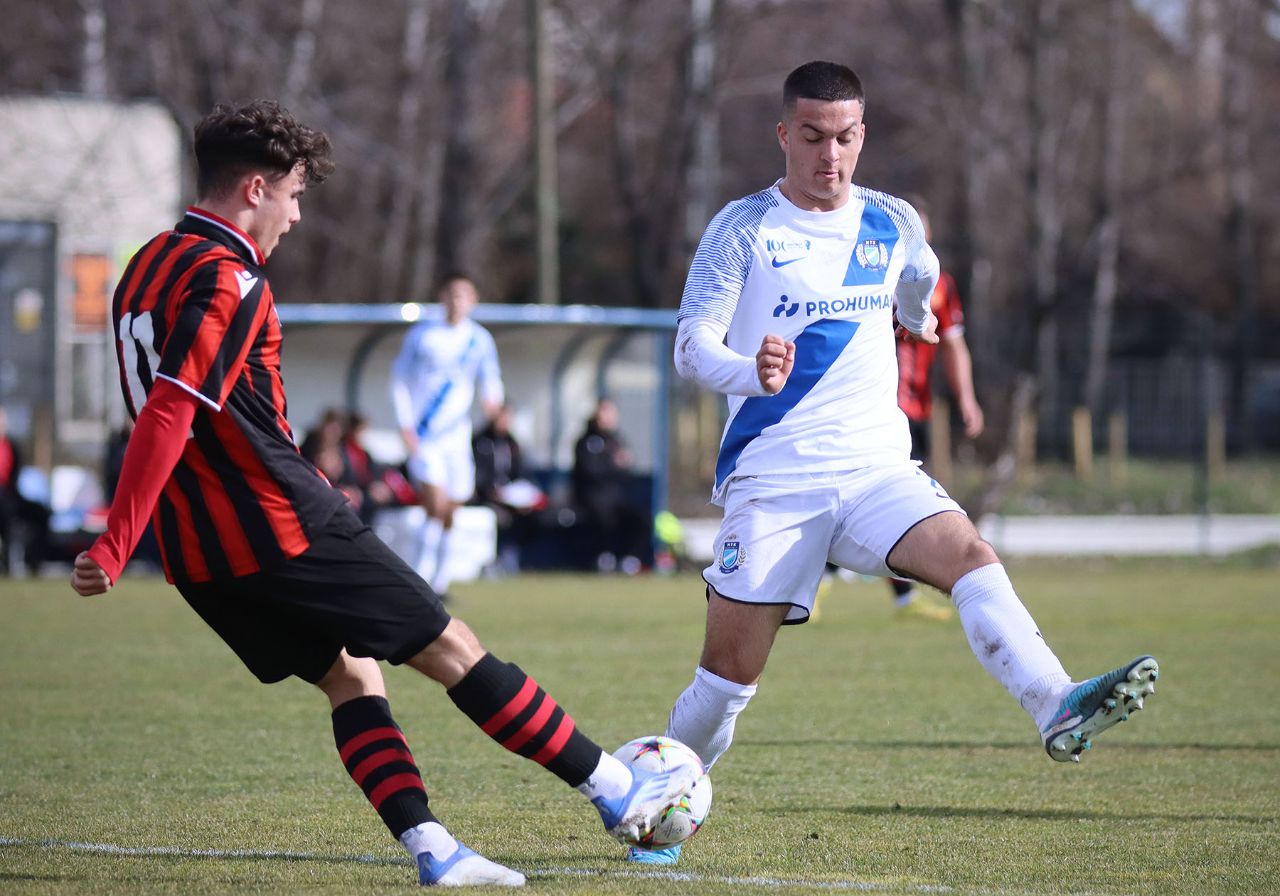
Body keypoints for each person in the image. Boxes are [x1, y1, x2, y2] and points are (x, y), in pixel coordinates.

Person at [68, 100, 696, 889]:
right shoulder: (230, 278)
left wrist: (137, 534)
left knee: (352, 675)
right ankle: (617, 790)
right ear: (256, 189)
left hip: (200, 555)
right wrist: (114, 541)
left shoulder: (144, 265)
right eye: (294, 195)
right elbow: (171, 411)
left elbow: (158, 408)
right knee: (452, 647)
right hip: (282, 523)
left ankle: (436, 851)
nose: (297, 216)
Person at [627, 61, 1160, 866]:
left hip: (877, 469)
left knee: (970, 555)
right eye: (813, 137)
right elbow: (690, 345)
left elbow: (924, 272)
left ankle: (1057, 702)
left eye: (845, 138)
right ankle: (656, 807)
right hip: (775, 482)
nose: (830, 155)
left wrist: (917, 317)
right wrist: (749, 371)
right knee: (728, 681)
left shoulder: (892, 220)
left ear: (862, 134)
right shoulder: (743, 228)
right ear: (784, 134)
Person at [881, 195, 985, 621]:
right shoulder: (870, 274)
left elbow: (954, 344)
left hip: (916, 408)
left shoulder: (940, 283)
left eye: (920, 228)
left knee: (896, 501)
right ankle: (825, 582)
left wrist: (967, 398)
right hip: (876, 406)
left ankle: (902, 595)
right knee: (886, 497)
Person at [391, 274, 503, 599]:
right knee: (435, 504)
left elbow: (491, 377)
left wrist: (492, 400)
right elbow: (399, 380)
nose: (457, 301)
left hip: (457, 436)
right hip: (426, 435)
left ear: (474, 301)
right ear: (442, 297)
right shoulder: (422, 336)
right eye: (452, 294)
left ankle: (438, 582)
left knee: (451, 509)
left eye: (464, 295)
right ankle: (420, 579)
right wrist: (405, 423)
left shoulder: (479, 339)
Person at [571, 397, 649, 575]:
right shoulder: (586, 441)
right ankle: (604, 557)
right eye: (605, 413)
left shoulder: (617, 440)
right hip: (592, 496)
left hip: (616, 497)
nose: (608, 418)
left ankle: (630, 560)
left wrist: (620, 465)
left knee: (641, 517)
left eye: (612, 413)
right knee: (603, 514)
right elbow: (590, 471)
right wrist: (613, 465)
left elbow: (626, 468)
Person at [472, 403, 544, 574]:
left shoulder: (512, 443)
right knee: (502, 517)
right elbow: (478, 475)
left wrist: (525, 495)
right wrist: (492, 492)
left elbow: (521, 472)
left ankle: (515, 557)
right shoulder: (480, 442)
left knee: (533, 516)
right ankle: (496, 560)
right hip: (487, 497)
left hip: (511, 497)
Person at [0, 406, 50, 575]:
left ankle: (35, 561)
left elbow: (15, 479)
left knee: (40, 512)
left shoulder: (12, 447)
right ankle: (8, 562)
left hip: (10, 496)